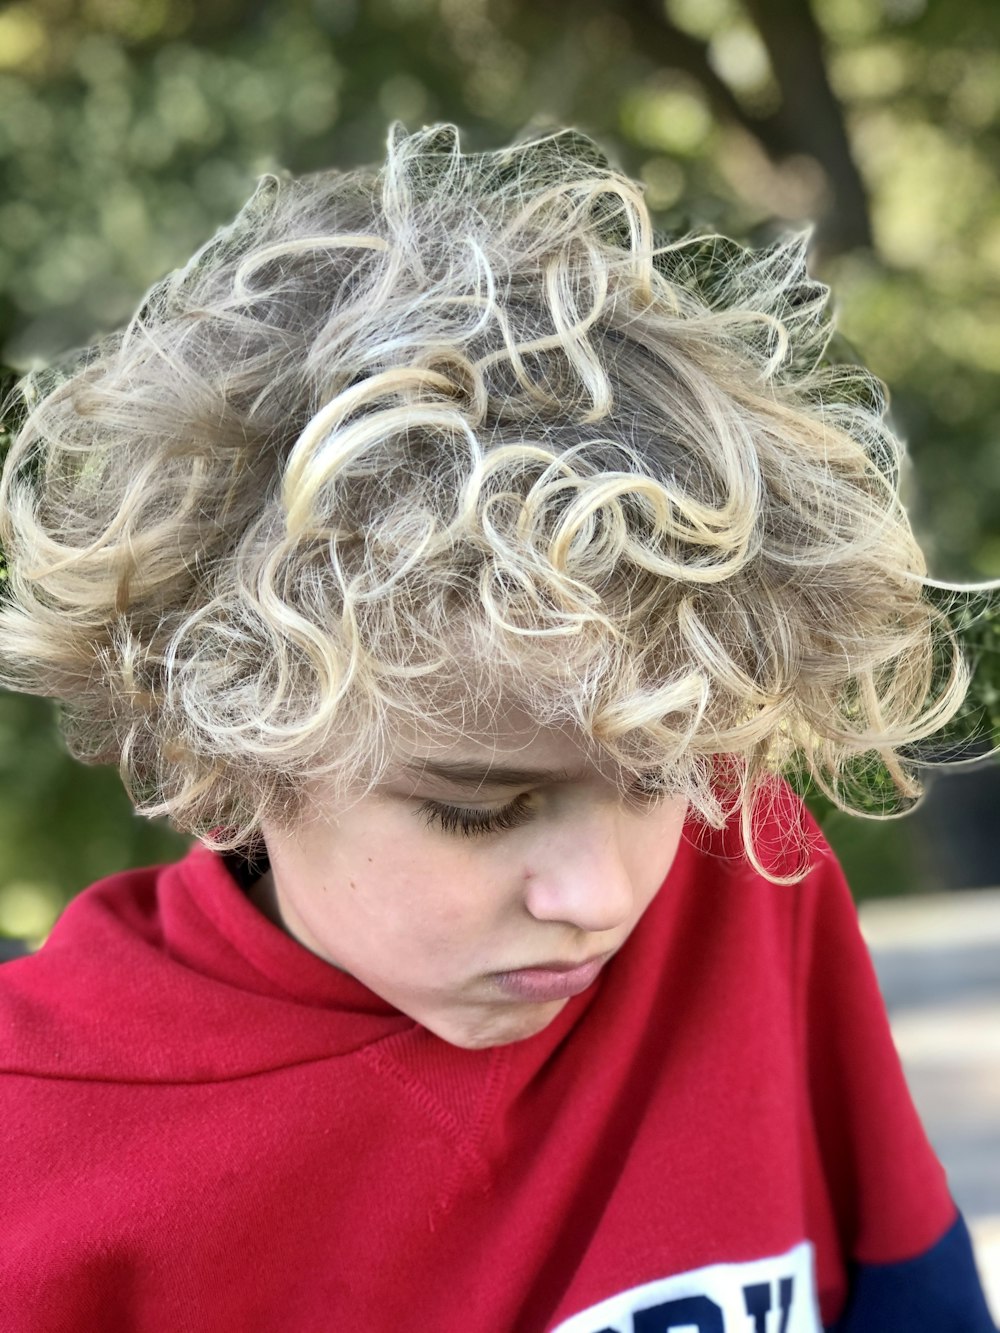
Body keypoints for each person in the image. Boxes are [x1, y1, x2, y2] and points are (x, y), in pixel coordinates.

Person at [0, 124, 994, 1333]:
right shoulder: (40, 1154)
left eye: (656, 775)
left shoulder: (742, 864)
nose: (597, 894)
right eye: (478, 805)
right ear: (235, 750)